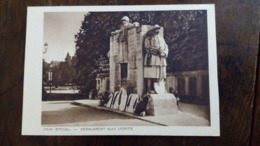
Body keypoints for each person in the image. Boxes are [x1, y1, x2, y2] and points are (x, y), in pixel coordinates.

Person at [144, 24, 169, 94]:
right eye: (156, 29)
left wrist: (164, 53)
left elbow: (166, 47)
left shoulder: (161, 39)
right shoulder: (148, 38)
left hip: (161, 59)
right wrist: (157, 51)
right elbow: (147, 48)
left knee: (160, 74)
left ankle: (160, 89)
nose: (157, 30)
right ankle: (149, 89)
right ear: (153, 30)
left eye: (158, 29)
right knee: (150, 74)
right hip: (152, 58)